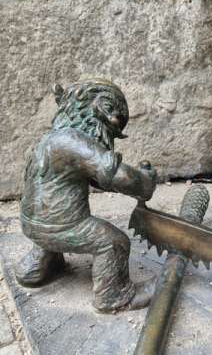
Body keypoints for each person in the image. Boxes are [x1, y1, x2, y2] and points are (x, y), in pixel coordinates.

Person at [17, 80, 158, 312]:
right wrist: (144, 183)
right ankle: (114, 295)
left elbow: (96, 177)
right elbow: (117, 176)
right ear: (104, 111)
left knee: (52, 228)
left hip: (31, 225)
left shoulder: (50, 139)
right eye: (115, 127)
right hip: (59, 228)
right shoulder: (73, 141)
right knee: (114, 243)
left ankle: (38, 266)